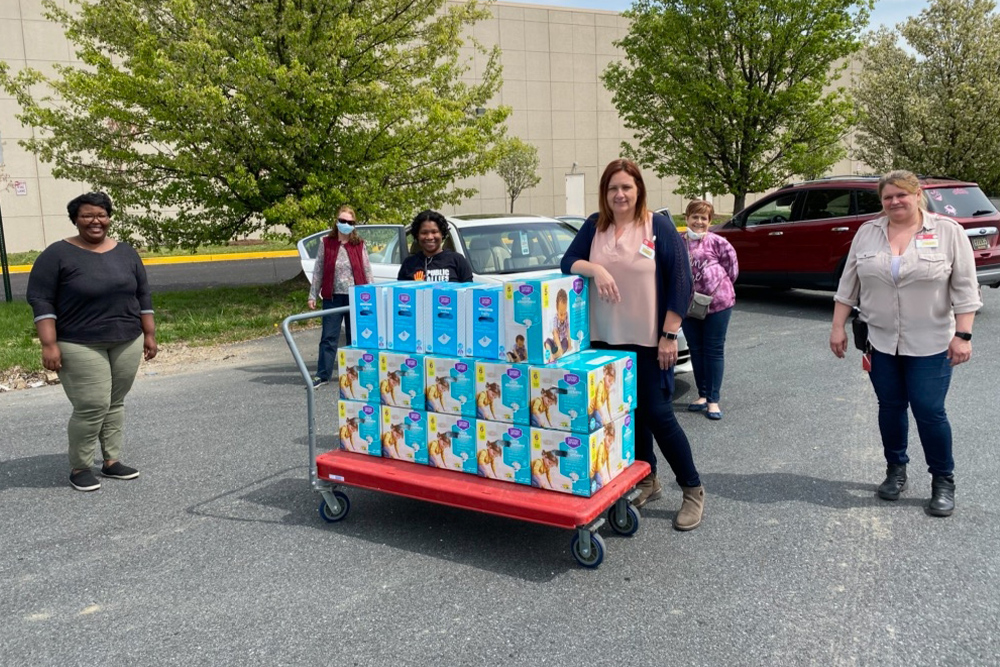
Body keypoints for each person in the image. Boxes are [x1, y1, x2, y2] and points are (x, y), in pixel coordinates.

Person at [561, 158, 704, 531]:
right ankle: (647, 479)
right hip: (603, 342)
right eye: (612, 188)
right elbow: (567, 261)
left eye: (626, 187)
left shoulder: (656, 226)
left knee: (658, 414)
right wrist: (596, 268)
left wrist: (670, 334)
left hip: (648, 340)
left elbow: (681, 282)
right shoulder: (595, 226)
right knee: (626, 414)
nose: (619, 194)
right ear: (604, 194)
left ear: (638, 189)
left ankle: (692, 489)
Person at [830, 170, 980, 518]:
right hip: (881, 341)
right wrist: (837, 327)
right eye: (888, 197)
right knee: (890, 406)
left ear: (917, 195)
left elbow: (965, 288)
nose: (895, 202)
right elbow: (848, 285)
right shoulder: (867, 233)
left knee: (929, 410)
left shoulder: (947, 232)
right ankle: (896, 471)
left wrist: (964, 334)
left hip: (931, 342)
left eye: (902, 195)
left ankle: (943, 480)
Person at [26, 192, 156, 492]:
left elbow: (143, 294)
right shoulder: (57, 254)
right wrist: (48, 344)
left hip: (127, 338)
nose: (95, 221)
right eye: (87, 215)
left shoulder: (126, 253)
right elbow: (41, 299)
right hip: (78, 341)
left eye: (101, 214)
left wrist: (149, 333)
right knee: (92, 405)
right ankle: (80, 467)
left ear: (109, 218)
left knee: (115, 402)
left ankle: (111, 462)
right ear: (75, 219)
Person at [680, 199, 739, 421]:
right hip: (688, 305)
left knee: (713, 349)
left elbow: (732, 270)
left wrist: (716, 288)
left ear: (710, 221)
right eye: (694, 217)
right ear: (687, 218)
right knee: (696, 348)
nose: (698, 221)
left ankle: (713, 399)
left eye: (703, 218)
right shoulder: (678, 242)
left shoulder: (719, 243)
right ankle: (702, 395)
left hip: (718, 304)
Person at [307, 205, 373, 389]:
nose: (345, 224)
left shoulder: (359, 244)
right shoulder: (326, 242)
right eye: (342, 221)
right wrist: (313, 294)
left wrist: (372, 295)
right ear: (336, 222)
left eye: (349, 222)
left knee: (355, 338)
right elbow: (318, 269)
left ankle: (356, 374)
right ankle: (323, 375)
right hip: (333, 297)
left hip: (356, 297)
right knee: (329, 337)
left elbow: (367, 270)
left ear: (354, 225)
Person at [397, 210, 473, 282]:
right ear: (417, 235)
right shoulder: (409, 263)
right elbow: (401, 293)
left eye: (434, 232)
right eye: (424, 232)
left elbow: (469, 291)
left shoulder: (457, 260)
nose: (429, 237)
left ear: (442, 233)